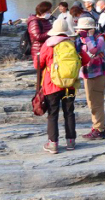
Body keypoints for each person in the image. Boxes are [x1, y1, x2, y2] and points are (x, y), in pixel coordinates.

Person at [36, 18, 86, 154]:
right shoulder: (72, 43)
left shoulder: (48, 44)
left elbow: (38, 65)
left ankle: (53, 144)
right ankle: (71, 142)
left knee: (53, 114)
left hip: (51, 85)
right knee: (69, 113)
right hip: (70, 85)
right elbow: (84, 59)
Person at [74, 16, 105, 140]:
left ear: (91, 29)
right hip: (87, 74)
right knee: (91, 102)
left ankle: (100, 129)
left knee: (96, 102)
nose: (81, 31)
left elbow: (94, 50)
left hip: (98, 74)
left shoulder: (99, 39)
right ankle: (98, 127)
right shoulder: (82, 39)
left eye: (84, 29)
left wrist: (88, 36)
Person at [26, 1, 53, 87]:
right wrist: (51, 32)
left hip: (47, 48)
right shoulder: (34, 22)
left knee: (48, 73)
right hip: (38, 50)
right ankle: (40, 94)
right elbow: (37, 37)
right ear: (42, 11)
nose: (50, 13)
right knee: (41, 74)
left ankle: (47, 92)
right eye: (48, 11)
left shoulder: (45, 20)